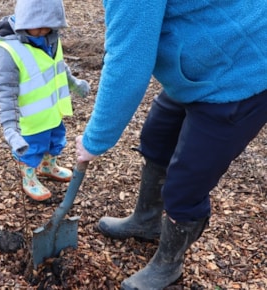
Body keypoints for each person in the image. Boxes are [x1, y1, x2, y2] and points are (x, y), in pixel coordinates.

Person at [75, 1, 267, 289]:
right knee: (157, 138)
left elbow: (128, 62)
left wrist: (95, 140)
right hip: (206, 59)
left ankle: (168, 264)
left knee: (185, 185)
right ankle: (146, 220)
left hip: (241, 74)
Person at [0, 0, 90, 201]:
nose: (43, 30)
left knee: (55, 140)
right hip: (30, 120)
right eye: (38, 26)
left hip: (52, 111)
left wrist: (74, 84)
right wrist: (10, 128)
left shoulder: (50, 37)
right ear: (24, 20)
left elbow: (58, 65)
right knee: (31, 149)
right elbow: (6, 92)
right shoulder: (7, 51)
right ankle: (29, 178)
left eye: (48, 25)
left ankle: (48, 166)